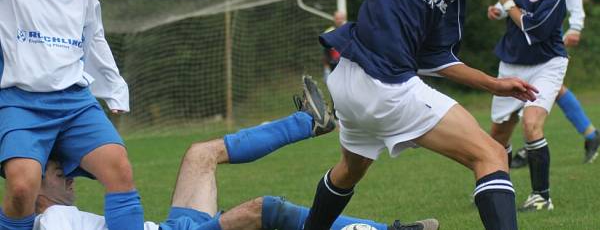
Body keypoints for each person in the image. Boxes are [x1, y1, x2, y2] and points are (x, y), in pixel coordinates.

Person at [261, 0, 537, 230]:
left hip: (350, 80)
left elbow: (437, 58)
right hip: (382, 82)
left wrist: (493, 83)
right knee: (492, 155)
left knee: (350, 171)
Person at [33, 76, 438, 230]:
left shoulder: (55, 215)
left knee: (199, 154)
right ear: (32, 185)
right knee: (260, 210)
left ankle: (309, 122)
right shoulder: (51, 221)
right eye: (57, 172)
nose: (69, 175)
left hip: (170, 227)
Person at [0, 0, 143, 230]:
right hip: (20, 104)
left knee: (119, 169)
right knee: (22, 187)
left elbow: (94, 41)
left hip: (74, 104)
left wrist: (113, 87)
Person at [489, 0, 600, 166]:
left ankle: (530, 147)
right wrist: (498, 10)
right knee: (549, 89)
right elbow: (512, 1)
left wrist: (576, 25)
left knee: (542, 89)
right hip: (521, 42)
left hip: (544, 35)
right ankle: (590, 135)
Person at [487, 0, 567, 211]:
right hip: (511, 63)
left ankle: (542, 196)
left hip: (547, 64)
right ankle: (497, 191)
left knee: (531, 124)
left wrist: (508, 4)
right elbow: (508, 11)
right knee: (498, 136)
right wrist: (500, 8)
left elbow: (537, 28)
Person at [323, 10, 347, 83]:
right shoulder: (328, 32)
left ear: (344, 19)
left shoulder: (350, 31)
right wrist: (326, 69)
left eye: (341, 18)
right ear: (334, 19)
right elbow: (325, 52)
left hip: (347, 65)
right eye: (337, 18)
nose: (339, 20)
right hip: (333, 65)